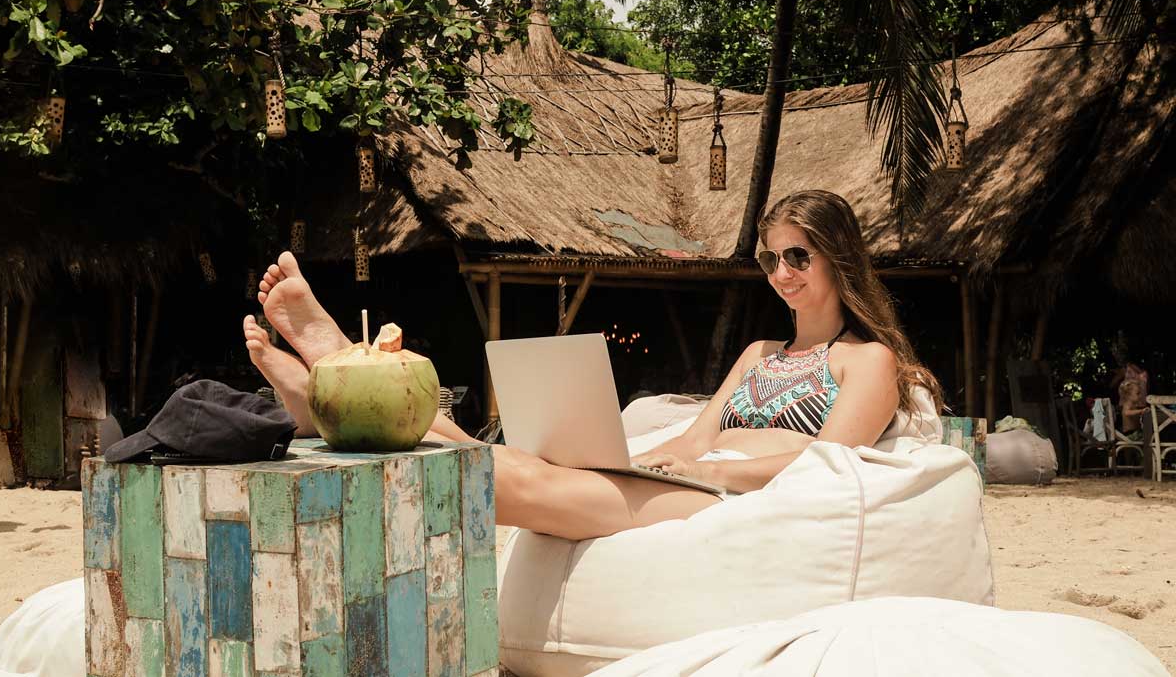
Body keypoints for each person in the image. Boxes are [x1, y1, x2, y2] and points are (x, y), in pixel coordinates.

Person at [243, 190, 942, 542]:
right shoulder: (760, 354)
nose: (782, 274)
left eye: (799, 257)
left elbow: (830, 464)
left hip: (746, 499)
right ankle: (340, 378)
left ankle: (336, 367)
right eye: (771, 258)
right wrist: (628, 458)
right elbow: (693, 440)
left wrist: (714, 470)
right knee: (526, 461)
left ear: (837, 259)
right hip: (697, 480)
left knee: (512, 481)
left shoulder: (868, 359)